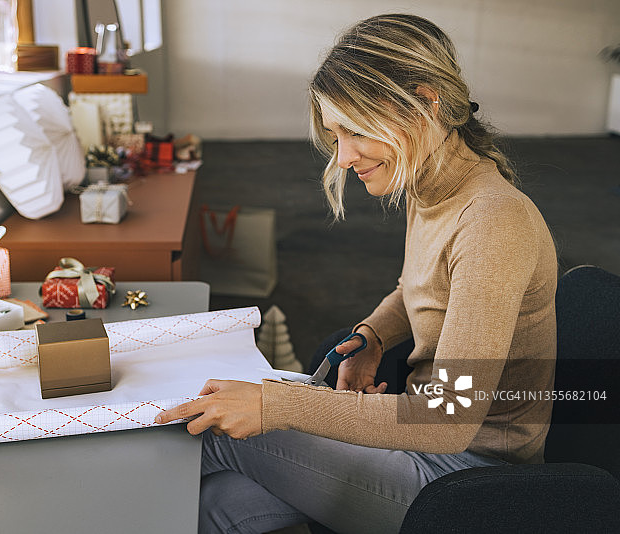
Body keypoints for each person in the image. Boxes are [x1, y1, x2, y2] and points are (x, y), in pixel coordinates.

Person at [155, 13, 558, 534]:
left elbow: (450, 417)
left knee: (205, 429)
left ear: (426, 103)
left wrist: (277, 403)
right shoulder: (433, 185)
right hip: (424, 444)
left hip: (470, 480)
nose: (342, 157)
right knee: (215, 502)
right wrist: (372, 335)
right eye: (334, 134)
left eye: (355, 131)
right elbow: (422, 285)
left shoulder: (493, 221)